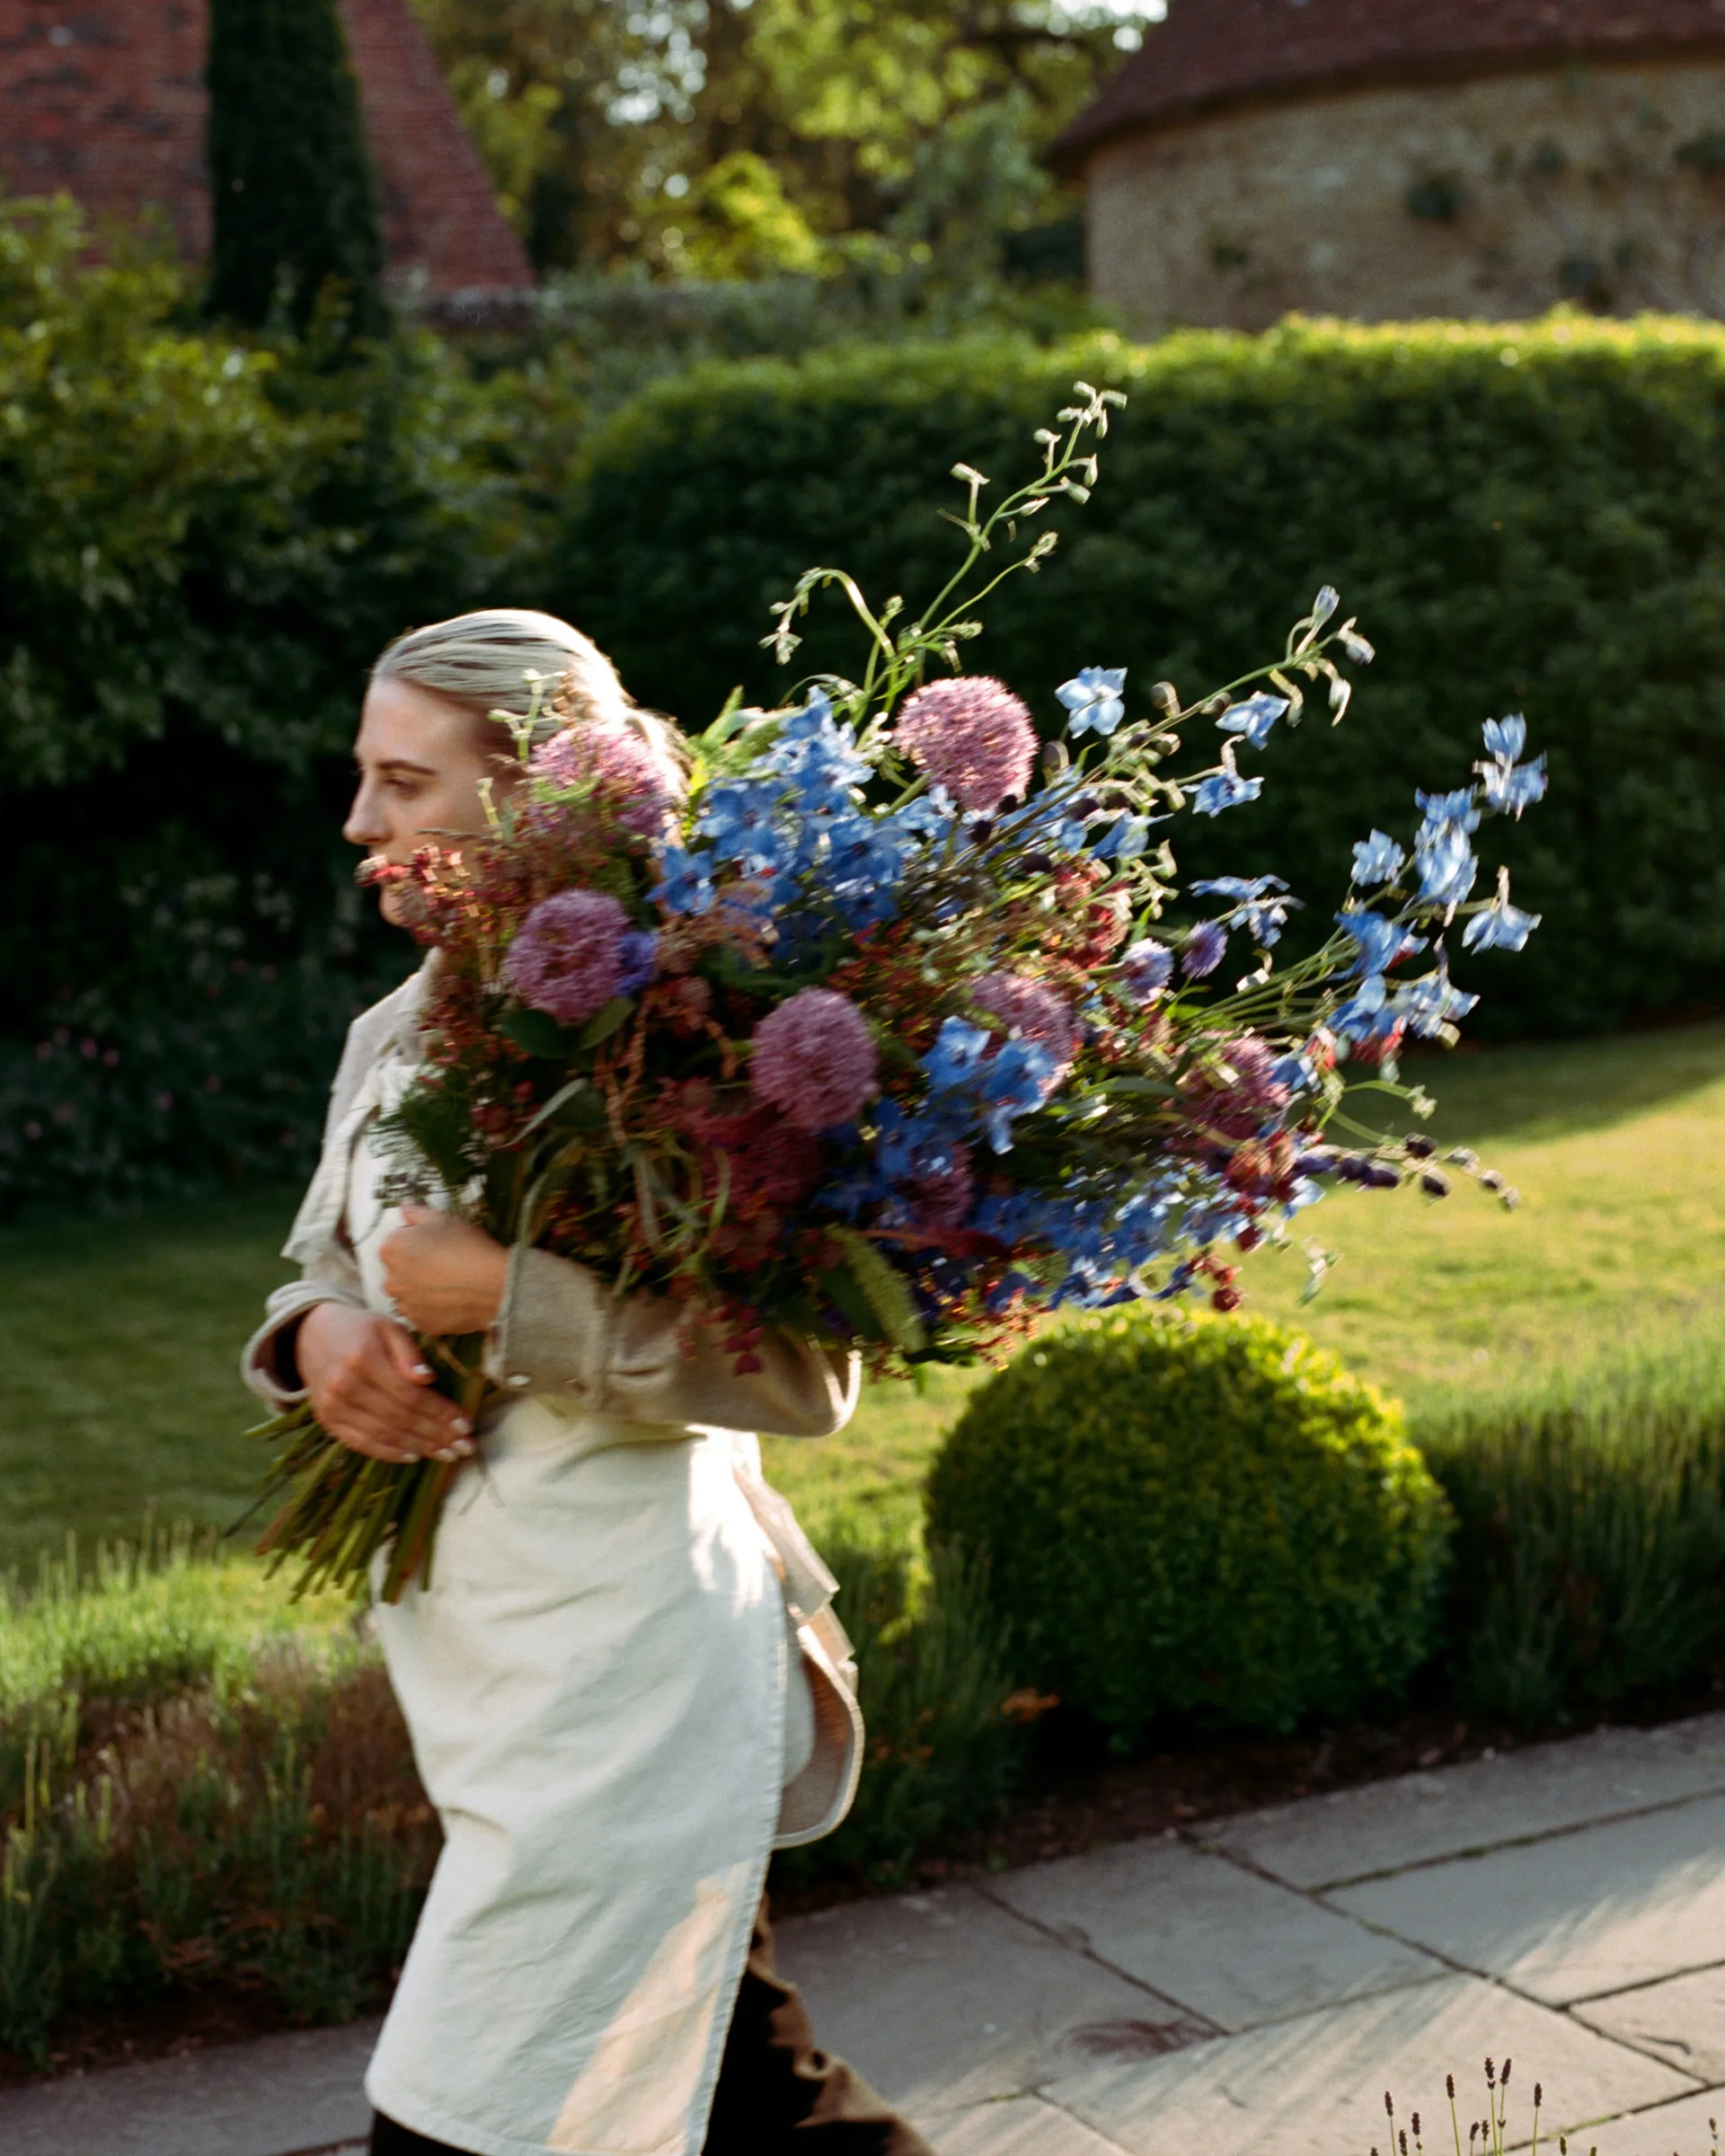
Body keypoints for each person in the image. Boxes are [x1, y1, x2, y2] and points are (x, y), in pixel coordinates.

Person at [243, 610, 932, 2156]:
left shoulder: (695, 1030)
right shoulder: (397, 1034)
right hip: (485, 1669)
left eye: (401, 782)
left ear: (532, 796)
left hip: (635, 1667)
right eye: (365, 777)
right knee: (748, 2088)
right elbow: (319, 1264)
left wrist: (511, 1302)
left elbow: (807, 1376)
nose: (359, 819)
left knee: (468, 2108)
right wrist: (317, 1342)